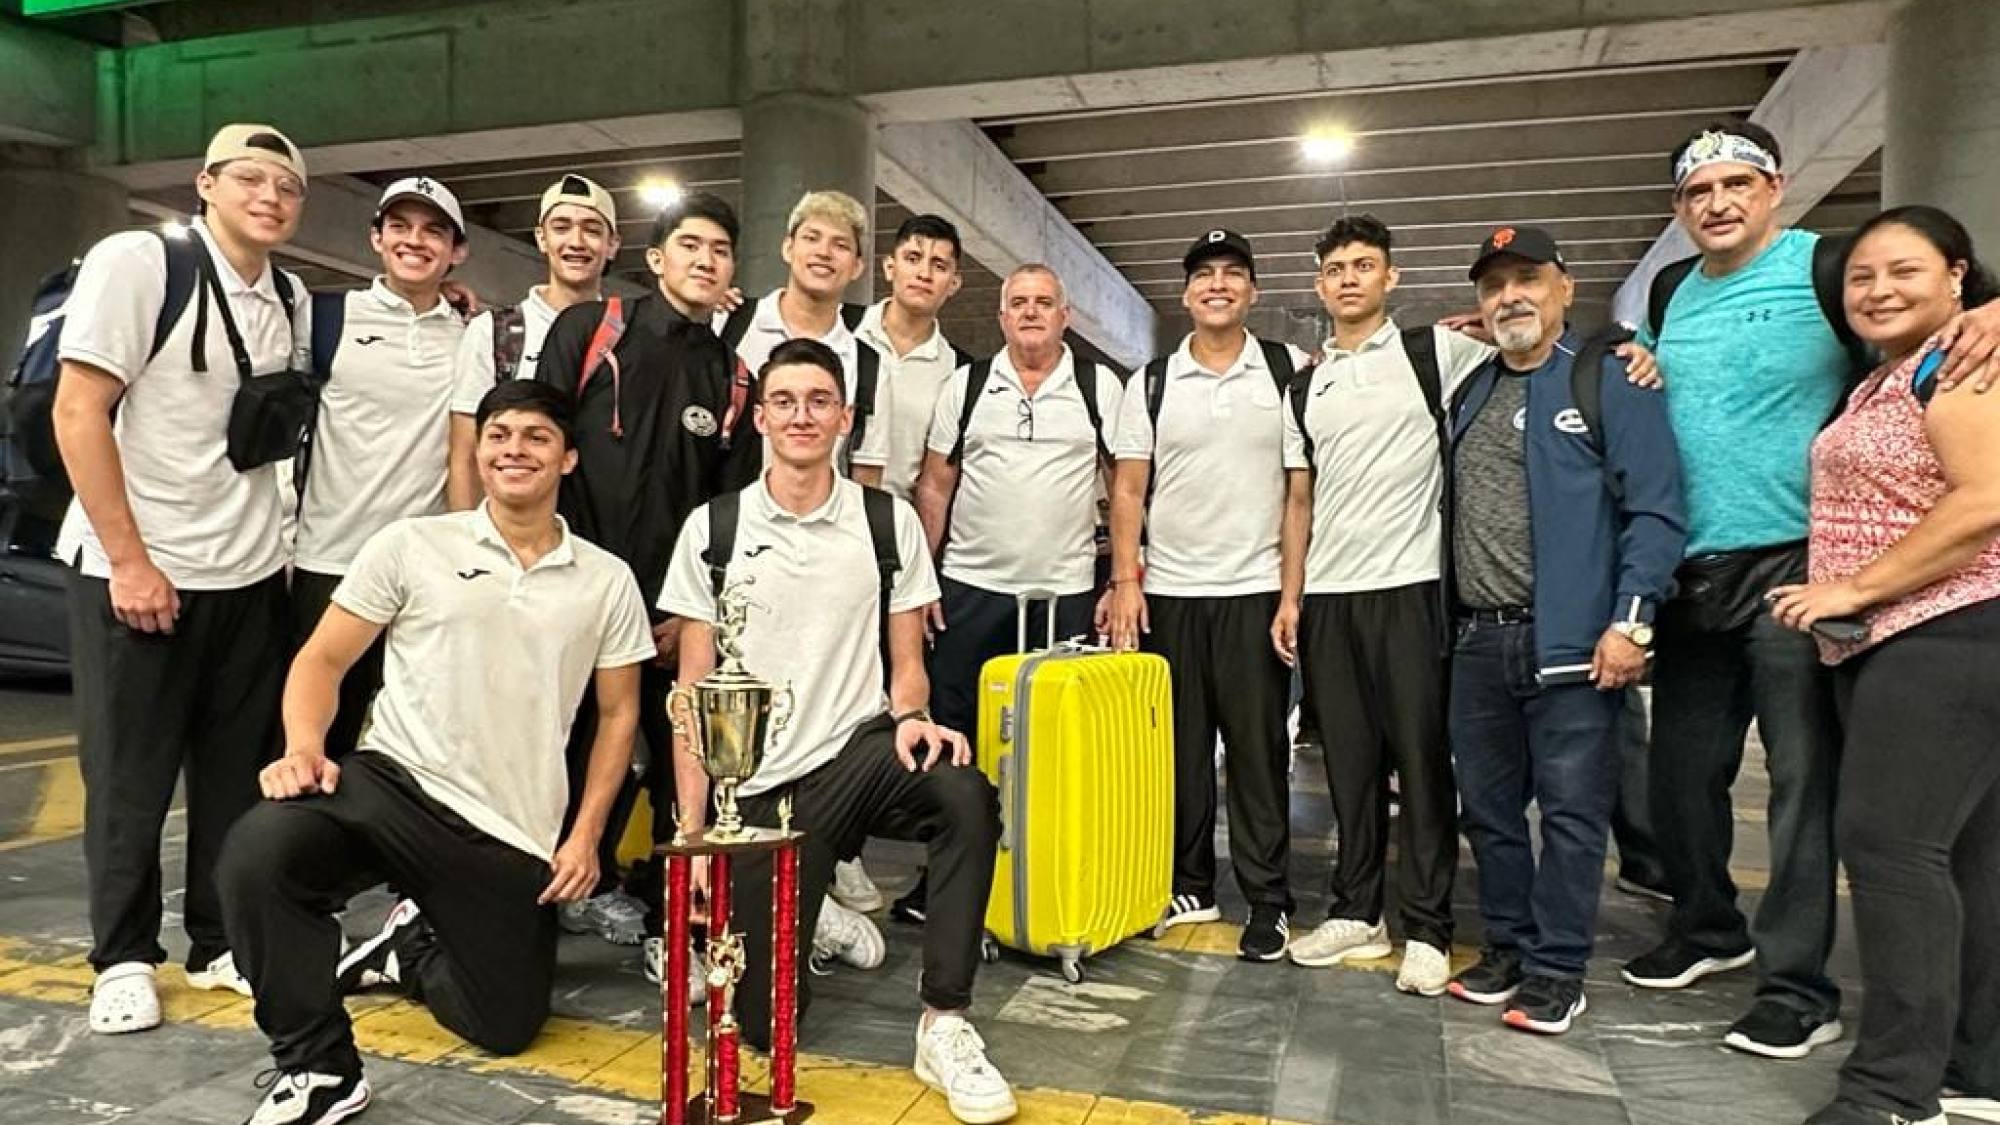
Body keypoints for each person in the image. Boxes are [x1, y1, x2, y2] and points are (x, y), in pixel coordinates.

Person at [1625, 120, 2000, 1061]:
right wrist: (1635, 358)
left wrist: (1996, 310)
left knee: (1801, 787)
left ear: (1775, 189)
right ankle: (1705, 927)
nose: (1717, 203)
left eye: (1736, 184)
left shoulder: (1830, 269)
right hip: (1694, 567)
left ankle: (1797, 986)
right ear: (1679, 207)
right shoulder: (1672, 289)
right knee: (1682, 775)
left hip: (1802, 564)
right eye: (1698, 190)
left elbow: (1929, 314)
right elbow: (1657, 375)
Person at [216, 379, 656, 1125]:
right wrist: (303, 747)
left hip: (510, 827)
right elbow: (322, 659)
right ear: (478, 451)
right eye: (499, 434)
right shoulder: (412, 545)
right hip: (395, 783)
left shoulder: (606, 579)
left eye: (537, 437)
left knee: (505, 1025)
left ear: (569, 458)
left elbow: (619, 717)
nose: (514, 449)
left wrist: (585, 837)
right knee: (259, 855)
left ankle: (408, 952)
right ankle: (318, 1066)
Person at [661, 338, 1016, 1125]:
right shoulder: (714, 529)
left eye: (819, 400)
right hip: (757, 788)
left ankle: (945, 1020)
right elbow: (692, 692)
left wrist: (914, 717)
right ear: (760, 418)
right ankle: (813, 901)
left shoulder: (886, 521)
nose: (802, 415)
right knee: (765, 1025)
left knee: (964, 793)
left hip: (858, 754)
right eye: (784, 401)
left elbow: (906, 664)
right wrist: (693, 834)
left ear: (844, 417)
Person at [52, 124, 311, 1034]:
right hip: (140, 571)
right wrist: (130, 560)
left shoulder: (290, 295)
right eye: (250, 178)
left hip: (248, 574)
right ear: (205, 183)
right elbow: (77, 410)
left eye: (288, 186)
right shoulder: (141, 264)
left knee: (234, 779)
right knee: (130, 778)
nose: (270, 197)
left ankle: (217, 940)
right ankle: (122, 956)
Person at [1767, 206, 2000, 1125]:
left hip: (1947, 629)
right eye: (1862, 276)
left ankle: (1890, 1092)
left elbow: (1985, 500)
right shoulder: (1893, 373)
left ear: (1957, 275)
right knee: (1968, 858)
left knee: (1890, 848)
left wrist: (1856, 586)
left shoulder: (1962, 360)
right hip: (1919, 636)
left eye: (1905, 270)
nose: (1878, 290)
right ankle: (1976, 1069)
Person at [1444, 226, 1686, 1036]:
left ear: (1564, 288)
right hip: (1478, 640)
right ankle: (1508, 946)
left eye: (1527, 279)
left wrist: (1632, 623)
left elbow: (1655, 509)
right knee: (1490, 812)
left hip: (1576, 645)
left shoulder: (1608, 376)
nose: (1510, 296)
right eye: (1494, 286)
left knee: (1574, 815)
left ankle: (1557, 969)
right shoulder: (1471, 392)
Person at [530, 192, 762, 954]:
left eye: (720, 251)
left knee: (676, 765)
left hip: (668, 617)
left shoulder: (734, 379)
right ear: (657, 258)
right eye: (690, 245)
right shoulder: (590, 330)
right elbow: (539, 446)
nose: (706, 260)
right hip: (570, 594)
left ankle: (676, 927)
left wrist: (688, 616)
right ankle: (530, 910)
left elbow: (729, 518)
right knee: (554, 752)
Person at [1270, 214, 1492, 991]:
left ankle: (1427, 926)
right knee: (1349, 762)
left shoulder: (1436, 353)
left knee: (1422, 762)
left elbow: (1528, 339)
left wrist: (1632, 350)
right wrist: (1291, 596)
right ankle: (1358, 912)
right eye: (1336, 269)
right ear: (1320, 284)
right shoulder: (1305, 385)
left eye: (1363, 265)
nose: (1349, 279)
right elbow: (1299, 499)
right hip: (1331, 597)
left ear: (1390, 276)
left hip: (1411, 586)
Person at [1105, 229, 1304, 961]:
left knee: (1258, 754)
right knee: (1180, 753)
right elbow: (1128, 490)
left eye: (1232, 273)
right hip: (1173, 593)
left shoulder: (1287, 369)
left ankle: (1268, 897)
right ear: (1186, 293)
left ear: (1253, 291)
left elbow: (1300, 493)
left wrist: (1291, 595)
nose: (1217, 285)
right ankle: (1190, 883)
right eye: (1203, 275)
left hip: (1254, 591)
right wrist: (1126, 580)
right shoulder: (1152, 382)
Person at [292, 176, 470, 760]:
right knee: (318, 741)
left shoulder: (474, 334)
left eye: (433, 231)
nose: (415, 241)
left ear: (456, 251)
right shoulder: (325, 318)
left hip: (426, 572)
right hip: (330, 562)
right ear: (376, 238)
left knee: (424, 745)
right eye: (400, 227)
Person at [915, 264, 1123, 750]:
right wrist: (921, 581)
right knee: (959, 730)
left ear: (1065, 316)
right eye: (1019, 303)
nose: (1031, 312)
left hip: (1065, 592)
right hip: (970, 587)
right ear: (1002, 317)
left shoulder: (1099, 386)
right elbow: (935, 488)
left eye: (1044, 303)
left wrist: (1121, 580)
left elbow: (1125, 491)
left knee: (1055, 738)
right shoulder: (966, 385)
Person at [837, 213, 973, 917]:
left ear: (954, 283)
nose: (924, 270)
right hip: (819, 534)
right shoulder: (842, 334)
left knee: (882, 697)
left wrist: (923, 574)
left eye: (938, 263)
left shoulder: (959, 373)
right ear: (888, 267)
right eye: (913, 257)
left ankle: (850, 842)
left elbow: (937, 482)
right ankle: (829, 847)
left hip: (897, 547)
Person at [445, 174, 620, 510]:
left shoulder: (629, 334)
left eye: (592, 230)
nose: (576, 241)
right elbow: (465, 453)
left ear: (612, 244)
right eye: (561, 227)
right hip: (512, 522)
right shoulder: (496, 332)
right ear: (541, 237)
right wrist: (465, 537)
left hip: (603, 525)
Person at [720, 190, 888, 486]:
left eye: (840, 245)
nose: (824, 252)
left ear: (857, 267)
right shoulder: (728, 323)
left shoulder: (869, 366)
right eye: (812, 238)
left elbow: (866, 479)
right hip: (723, 508)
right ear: (788, 248)